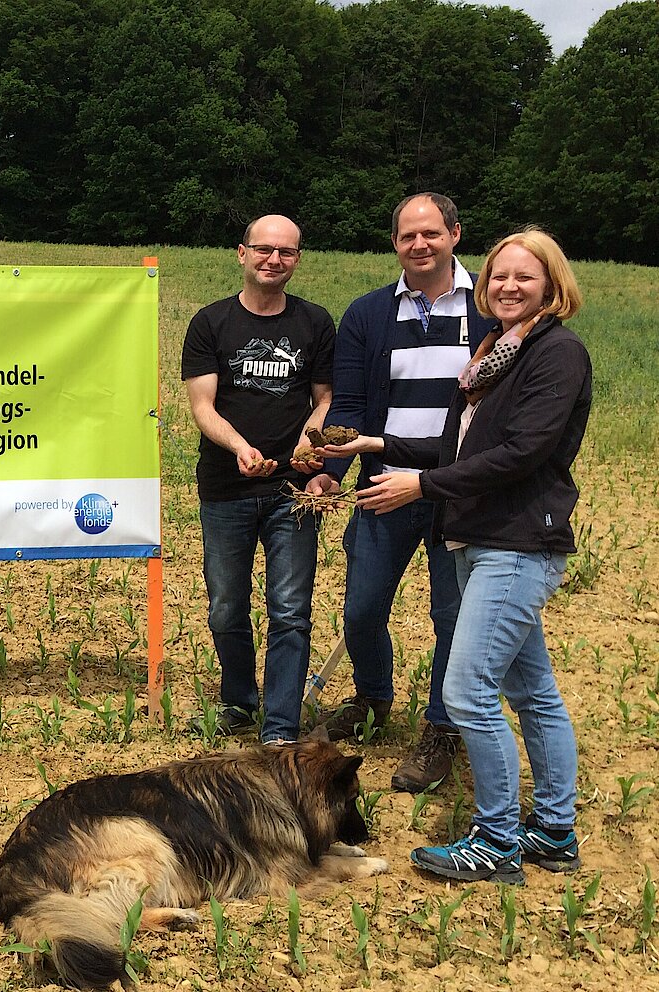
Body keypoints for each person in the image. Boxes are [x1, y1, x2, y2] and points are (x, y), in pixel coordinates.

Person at [323, 227, 590, 883]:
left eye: (524, 277)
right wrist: (378, 449)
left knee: (468, 691)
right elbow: (457, 453)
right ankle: (554, 832)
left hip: (516, 543)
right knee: (533, 693)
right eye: (499, 276)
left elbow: (522, 453)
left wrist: (424, 486)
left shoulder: (556, 354)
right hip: (478, 537)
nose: (507, 286)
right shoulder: (493, 354)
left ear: (553, 285)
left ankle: (497, 840)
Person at [318, 193, 498, 793]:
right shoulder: (368, 315)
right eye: (406, 236)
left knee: (452, 616)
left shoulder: (490, 311)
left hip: (460, 494)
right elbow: (346, 407)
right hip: (382, 487)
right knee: (362, 608)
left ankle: (442, 728)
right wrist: (329, 473)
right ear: (394, 243)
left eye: (430, 233)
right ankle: (372, 697)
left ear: (454, 234)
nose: (419, 245)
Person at [181, 215, 338, 746]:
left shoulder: (315, 323)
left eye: (287, 252)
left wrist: (310, 439)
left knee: (290, 610)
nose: (275, 260)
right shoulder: (211, 323)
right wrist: (239, 447)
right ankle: (239, 702)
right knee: (226, 606)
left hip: (292, 494)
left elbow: (325, 398)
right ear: (241, 254)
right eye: (264, 250)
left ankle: (280, 728)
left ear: (297, 259)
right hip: (225, 488)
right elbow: (202, 405)